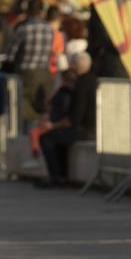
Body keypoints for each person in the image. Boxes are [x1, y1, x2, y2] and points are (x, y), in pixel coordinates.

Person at [37, 52, 97, 187]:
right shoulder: (94, 80)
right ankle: (62, 175)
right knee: (59, 137)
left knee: (47, 138)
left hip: (85, 130)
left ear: (75, 66)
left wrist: (53, 125)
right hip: (92, 128)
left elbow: (74, 118)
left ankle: (57, 176)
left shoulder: (81, 84)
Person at [3, 0, 54, 126]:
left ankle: (28, 132)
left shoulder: (23, 28)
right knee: (42, 106)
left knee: (26, 108)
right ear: (42, 11)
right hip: (45, 72)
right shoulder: (49, 28)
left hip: (26, 72)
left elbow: (11, 54)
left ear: (28, 11)